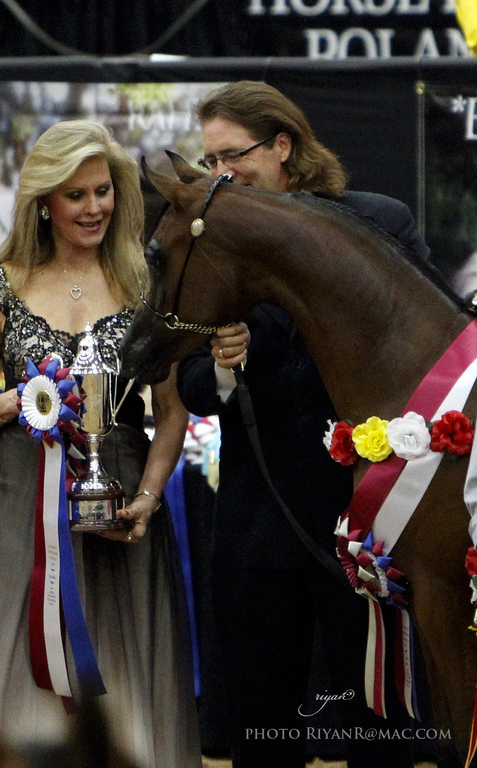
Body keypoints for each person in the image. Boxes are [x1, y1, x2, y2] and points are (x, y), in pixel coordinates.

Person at [176, 81, 432, 768]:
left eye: (233, 155)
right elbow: (193, 386)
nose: (221, 175)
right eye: (211, 162)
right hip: (259, 527)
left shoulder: (377, 222)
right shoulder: (215, 243)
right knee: (262, 735)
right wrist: (227, 368)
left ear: (283, 145)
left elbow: (430, 354)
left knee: (382, 738)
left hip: (365, 532)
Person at [0, 119, 201, 768]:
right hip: (19, 496)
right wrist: (27, 401)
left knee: (119, 672)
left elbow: (170, 414)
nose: (93, 207)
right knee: (14, 659)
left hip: (119, 503)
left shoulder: (146, 282)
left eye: (103, 191)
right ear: (44, 202)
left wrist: (147, 498)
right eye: (75, 195)